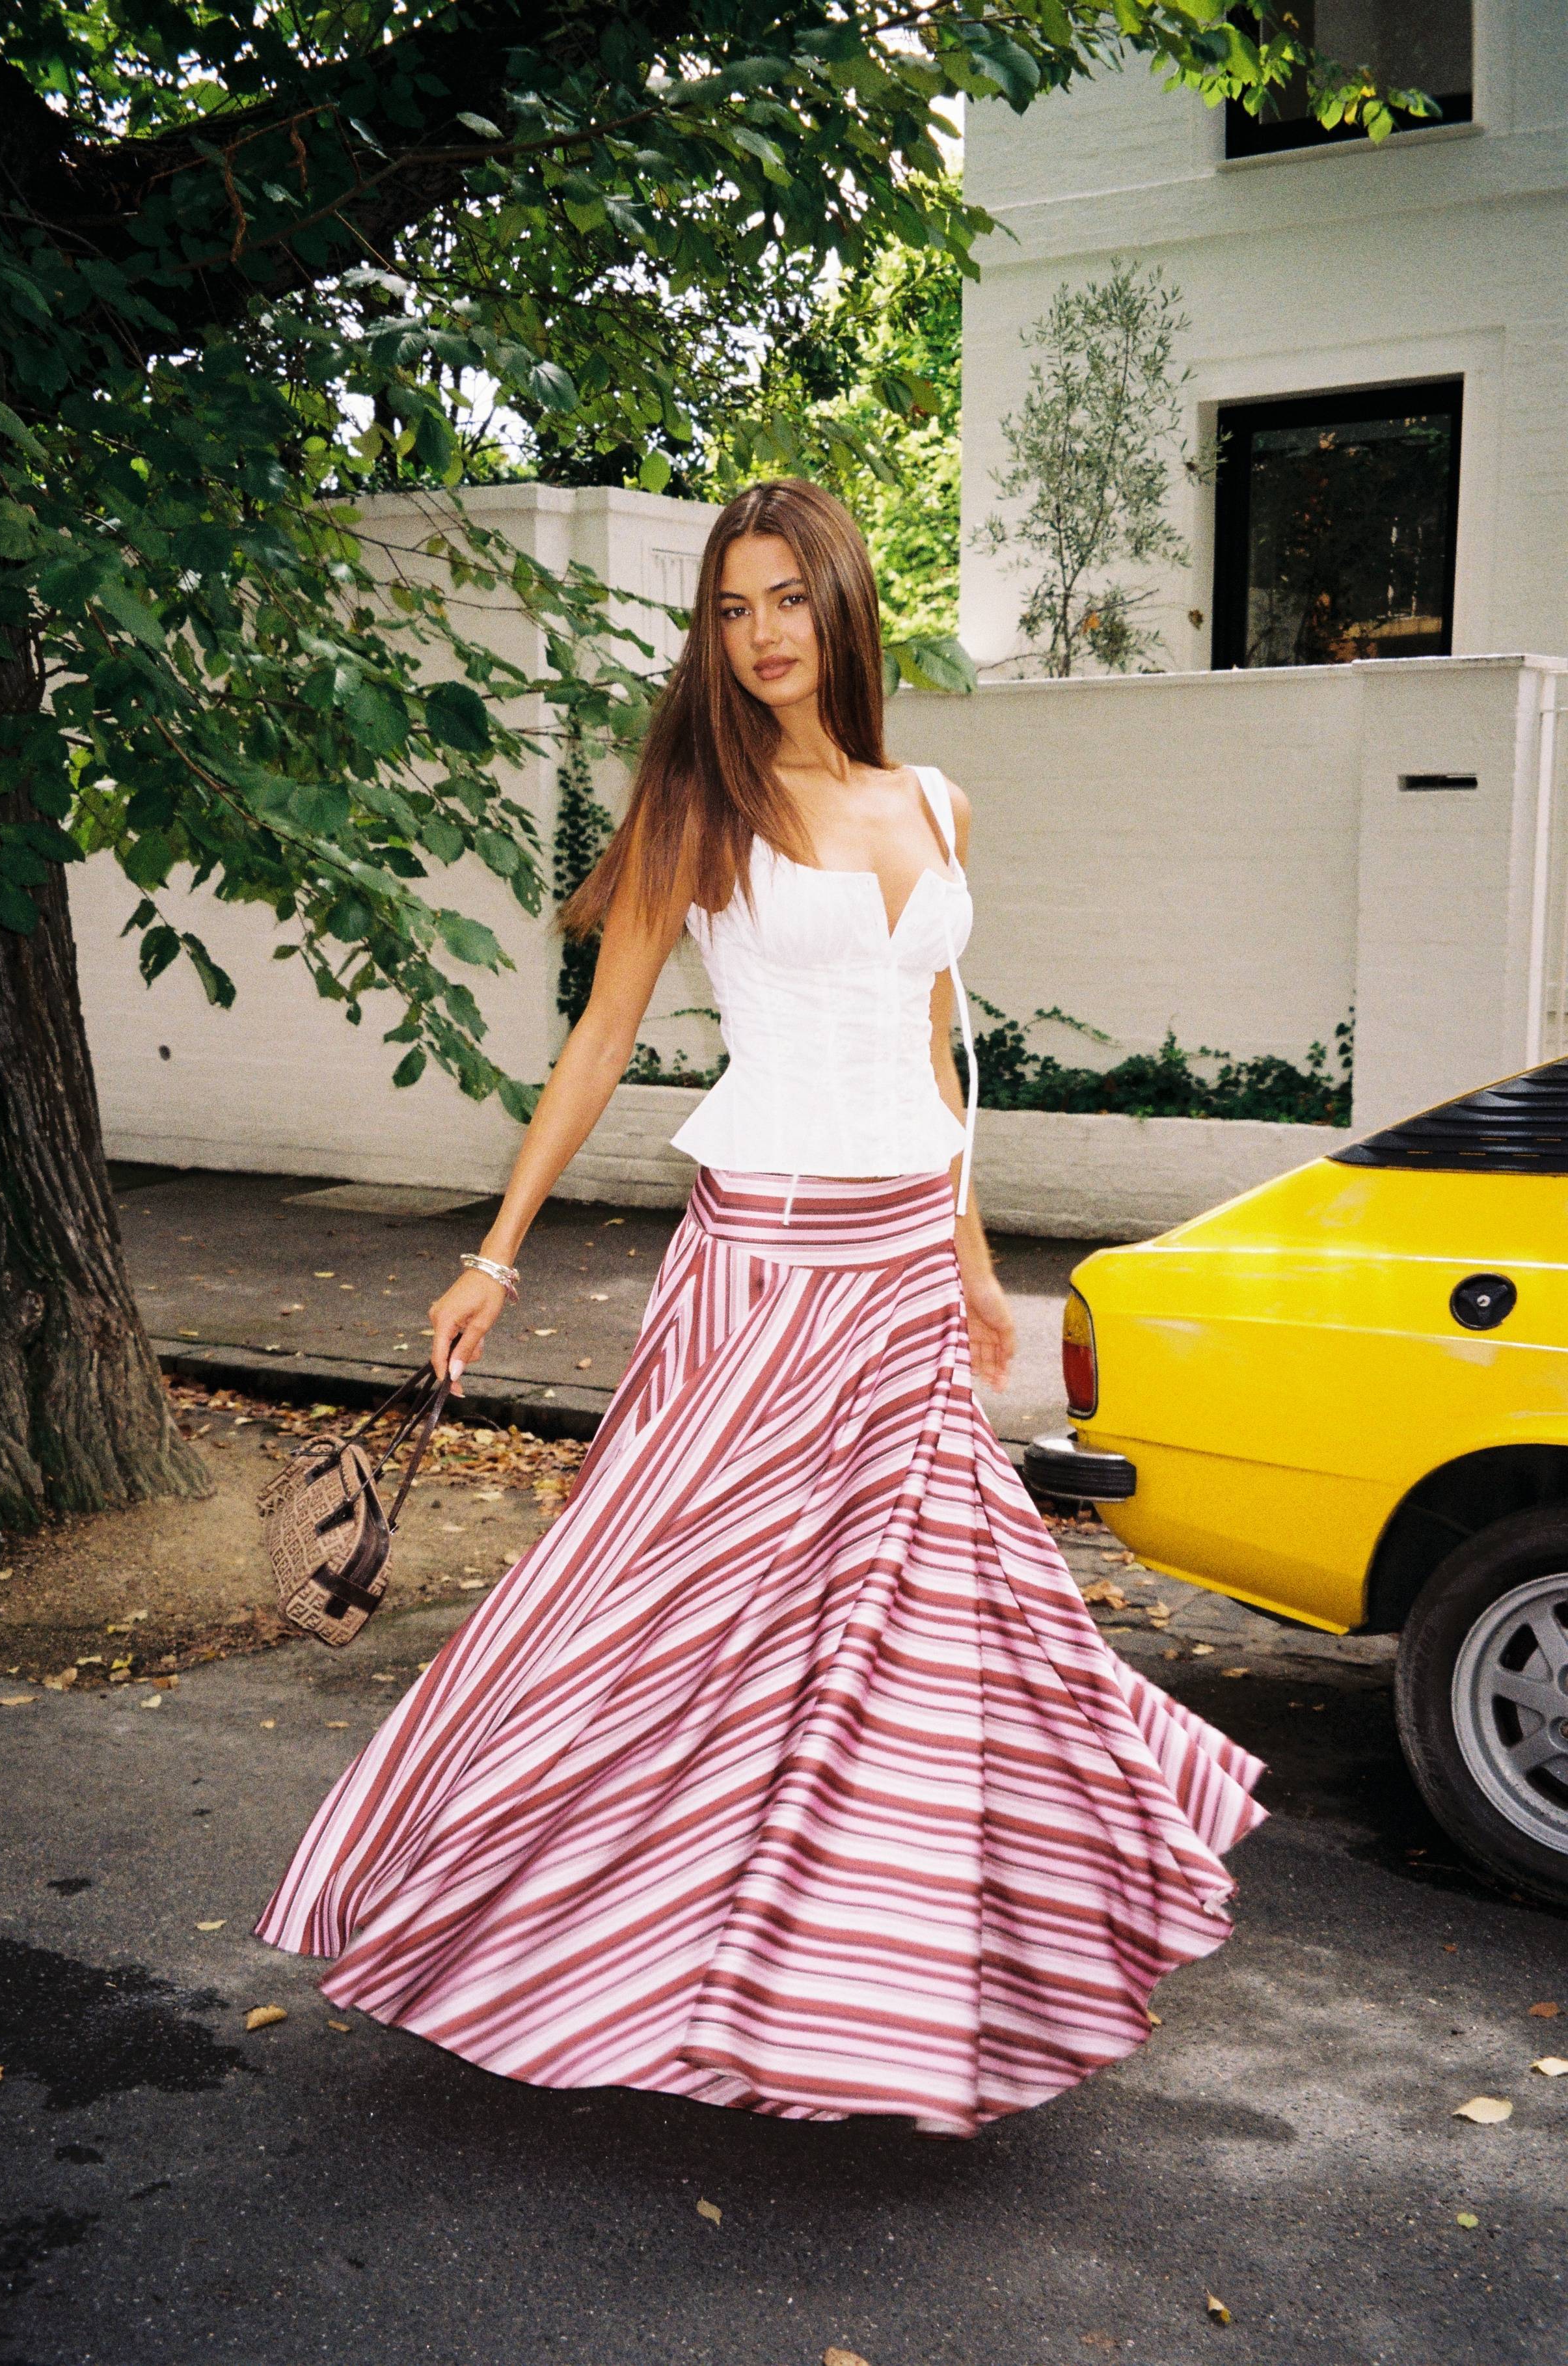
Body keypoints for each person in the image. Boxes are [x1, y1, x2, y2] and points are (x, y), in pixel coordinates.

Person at [258, 478, 1265, 2136]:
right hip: (763, 1271)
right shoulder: (690, 805)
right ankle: (486, 1910)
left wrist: (967, 1252)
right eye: (731, 608)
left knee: (912, 1643)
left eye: (787, 598)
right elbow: (597, 1045)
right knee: (662, 1616)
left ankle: (877, 1982)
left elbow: (938, 1055)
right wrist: (493, 1256)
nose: (762, 634)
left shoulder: (936, 802)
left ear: (843, 603)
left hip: (896, 1287)